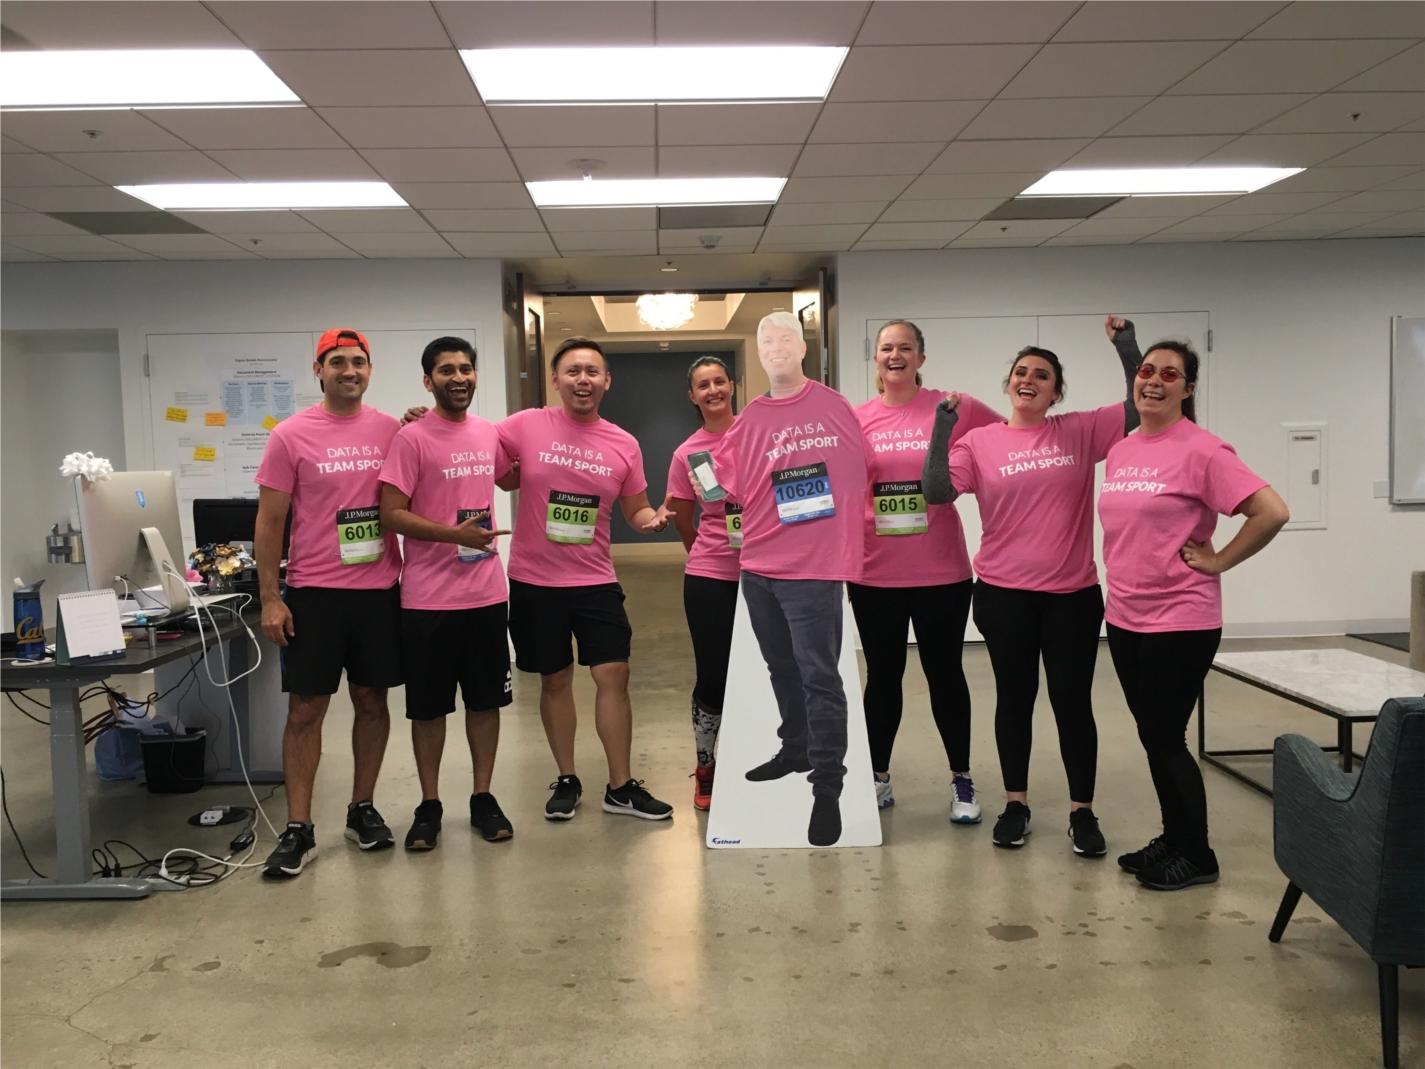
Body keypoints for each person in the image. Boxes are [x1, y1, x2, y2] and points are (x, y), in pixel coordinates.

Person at [923, 328, 1143, 857]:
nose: (1029, 380)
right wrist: (942, 429)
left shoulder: (1080, 430)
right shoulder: (980, 442)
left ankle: (1082, 811)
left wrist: (1127, 349)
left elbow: (1138, 408)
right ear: (1009, 385)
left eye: (1042, 376)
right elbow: (936, 491)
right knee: (1014, 699)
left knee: (1072, 703)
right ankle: (1015, 804)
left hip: (1072, 596)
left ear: (1056, 392)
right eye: (1021, 373)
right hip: (1004, 596)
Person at [1098, 318, 1288, 890]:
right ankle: (1174, 838)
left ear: (1188, 388)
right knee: (1154, 736)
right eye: (1146, 371)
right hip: (1125, 616)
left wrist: (1220, 559)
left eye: (1169, 374)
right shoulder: (1123, 449)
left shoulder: (1204, 450)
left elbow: (1271, 511)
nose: (1153, 381)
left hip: (1180, 619)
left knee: (1165, 737)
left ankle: (1198, 855)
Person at [497, 336, 674, 822]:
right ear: (555, 380)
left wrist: (651, 521)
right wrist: (423, 423)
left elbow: (636, 509)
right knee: (554, 680)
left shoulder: (623, 443)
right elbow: (474, 448)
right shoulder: (525, 425)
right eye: (573, 371)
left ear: (606, 381)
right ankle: (567, 778)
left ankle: (620, 786)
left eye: (592, 372)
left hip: (595, 580)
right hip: (535, 581)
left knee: (613, 674)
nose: (583, 380)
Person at [255, 328, 401, 879]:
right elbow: (270, 521)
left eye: (358, 361)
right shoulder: (290, 435)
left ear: (370, 369)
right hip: (314, 593)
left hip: (379, 592)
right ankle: (299, 827)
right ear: (318, 370)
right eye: (337, 362)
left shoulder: (391, 430)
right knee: (305, 711)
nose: (349, 371)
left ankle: (362, 808)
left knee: (372, 702)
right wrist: (272, 597)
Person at [718, 311, 869, 847]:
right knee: (780, 667)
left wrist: (847, 545)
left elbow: (858, 477)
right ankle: (796, 749)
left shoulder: (835, 406)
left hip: (815, 569)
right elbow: (724, 484)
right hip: (759, 567)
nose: (775, 347)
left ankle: (828, 787)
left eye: (785, 338)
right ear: (758, 353)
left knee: (820, 677)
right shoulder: (749, 418)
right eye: (766, 341)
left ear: (803, 347)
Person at [851, 320, 1001, 821]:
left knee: (945, 675)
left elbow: (1009, 442)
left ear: (921, 357)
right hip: (875, 573)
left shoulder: (954, 407)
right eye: (886, 348)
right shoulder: (857, 418)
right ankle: (877, 777)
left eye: (905, 348)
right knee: (883, 677)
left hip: (941, 573)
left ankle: (962, 780)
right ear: (875, 358)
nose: (895, 355)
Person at [379, 336, 517, 852]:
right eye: (446, 370)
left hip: (485, 595)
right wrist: (452, 534)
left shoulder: (488, 433)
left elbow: (512, 479)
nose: (458, 378)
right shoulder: (411, 439)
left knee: (486, 703)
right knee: (428, 709)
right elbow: (391, 513)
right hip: (427, 600)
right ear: (428, 380)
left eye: (465, 369)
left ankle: (483, 797)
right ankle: (430, 804)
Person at [663, 356, 740, 811]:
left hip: (769, 574)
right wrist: (705, 554)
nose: (713, 390)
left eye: (719, 381)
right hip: (710, 576)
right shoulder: (688, 453)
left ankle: (759, 755)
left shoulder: (758, 434)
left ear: (732, 385)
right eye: (703, 385)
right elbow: (682, 517)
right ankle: (706, 765)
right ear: (692, 396)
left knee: (769, 671)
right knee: (714, 673)